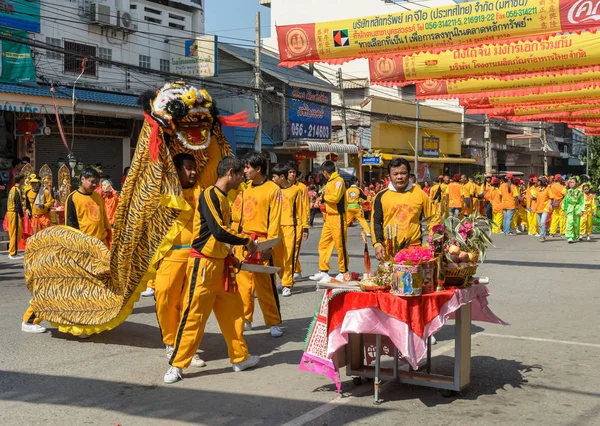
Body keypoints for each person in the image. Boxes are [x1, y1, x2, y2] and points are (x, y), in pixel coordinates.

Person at [164, 156, 260, 384]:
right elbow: (217, 231)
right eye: (240, 174)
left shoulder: (224, 199)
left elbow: (218, 237)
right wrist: (247, 241)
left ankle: (239, 358)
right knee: (194, 314)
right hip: (204, 265)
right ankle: (177, 365)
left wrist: (230, 257)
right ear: (230, 173)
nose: (242, 178)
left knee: (234, 313)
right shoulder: (209, 195)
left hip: (220, 264)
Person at [150, 153, 206, 367]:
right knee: (164, 297)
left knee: (191, 303)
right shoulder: (165, 191)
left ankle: (187, 347)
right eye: (188, 168)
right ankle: (171, 343)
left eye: (194, 168)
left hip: (197, 255)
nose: (193, 172)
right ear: (177, 170)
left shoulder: (202, 190)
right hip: (171, 254)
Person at [235, 151, 283, 337]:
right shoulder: (245, 188)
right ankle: (246, 318)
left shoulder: (273, 189)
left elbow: (275, 218)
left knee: (265, 284)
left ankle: (273, 321)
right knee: (244, 284)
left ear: (258, 168)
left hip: (262, 240)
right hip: (245, 240)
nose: (245, 170)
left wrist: (269, 245)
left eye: (247, 167)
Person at [371, 158, 439, 260]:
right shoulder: (381, 196)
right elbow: (375, 222)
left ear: (409, 174)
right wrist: (377, 244)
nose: (399, 177)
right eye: (395, 174)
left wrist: (433, 240)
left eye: (403, 173)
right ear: (389, 176)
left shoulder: (419, 194)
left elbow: (433, 218)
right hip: (389, 250)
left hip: (414, 250)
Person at [271, 163, 308, 297]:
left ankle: (287, 283)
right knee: (276, 257)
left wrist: (305, 227)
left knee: (289, 257)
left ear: (282, 176)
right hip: (275, 228)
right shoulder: (274, 190)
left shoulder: (296, 191)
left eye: (274, 177)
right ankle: (283, 277)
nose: (273, 179)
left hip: (292, 227)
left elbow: (302, 210)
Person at [309, 161, 349, 282]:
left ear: (325, 172)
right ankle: (323, 270)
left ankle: (344, 271)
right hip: (328, 217)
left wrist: (324, 198)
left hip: (338, 217)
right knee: (323, 244)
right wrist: (320, 198)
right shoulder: (329, 182)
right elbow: (325, 194)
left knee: (340, 245)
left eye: (323, 172)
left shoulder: (339, 181)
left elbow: (336, 198)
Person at [65, 167, 112, 248]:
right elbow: (70, 223)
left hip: (102, 243)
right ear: (82, 179)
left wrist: (110, 237)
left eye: (97, 183)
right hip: (85, 244)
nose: (94, 185)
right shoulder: (73, 198)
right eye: (92, 181)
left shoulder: (98, 196)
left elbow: (104, 218)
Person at [286, 162, 309, 281]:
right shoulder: (282, 187)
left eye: (294, 172)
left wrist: (305, 226)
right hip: (285, 223)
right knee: (287, 249)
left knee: (294, 249)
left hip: (298, 223)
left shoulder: (301, 187)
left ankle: (290, 275)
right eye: (290, 172)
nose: (292, 174)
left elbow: (305, 206)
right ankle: (297, 270)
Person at [6, 173, 25, 260]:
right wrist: (22, 216)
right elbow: (18, 205)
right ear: (20, 180)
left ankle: (13, 251)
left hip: (10, 212)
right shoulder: (17, 190)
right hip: (14, 213)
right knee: (16, 233)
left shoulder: (12, 189)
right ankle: (12, 253)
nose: (24, 181)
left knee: (13, 232)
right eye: (23, 179)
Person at [562, 177, 585, 243]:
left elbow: (582, 202)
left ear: (577, 183)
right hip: (570, 208)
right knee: (570, 222)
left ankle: (575, 236)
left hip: (577, 208)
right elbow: (565, 201)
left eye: (572, 182)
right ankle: (569, 237)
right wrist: (564, 210)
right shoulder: (568, 191)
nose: (571, 184)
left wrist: (582, 210)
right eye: (570, 182)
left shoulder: (580, 192)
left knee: (576, 223)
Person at [531, 177, 551, 242]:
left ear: (542, 182)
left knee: (542, 222)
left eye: (539, 181)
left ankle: (542, 236)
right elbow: (535, 196)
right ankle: (543, 235)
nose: (537, 182)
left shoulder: (548, 189)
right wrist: (533, 198)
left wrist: (551, 205)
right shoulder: (536, 189)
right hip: (538, 208)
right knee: (540, 224)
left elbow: (552, 197)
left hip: (545, 208)